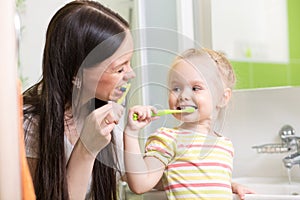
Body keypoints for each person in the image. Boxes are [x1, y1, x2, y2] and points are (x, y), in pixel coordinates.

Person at [22, 1, 135, 199]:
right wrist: (87, 147)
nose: (131, 74)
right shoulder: (29, 126)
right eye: (120, 68)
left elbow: (140, 181)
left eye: (129, 63)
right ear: (77, 72)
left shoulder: (108, 119)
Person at [124, 48, 254, 199]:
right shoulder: (167, 139)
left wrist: (230, 185)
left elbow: (199, 180)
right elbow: (140, 184)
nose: (184, 96)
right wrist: (131, 134)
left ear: (223, 98)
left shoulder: (225, 145)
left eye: (195, 88)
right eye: (176, 88)